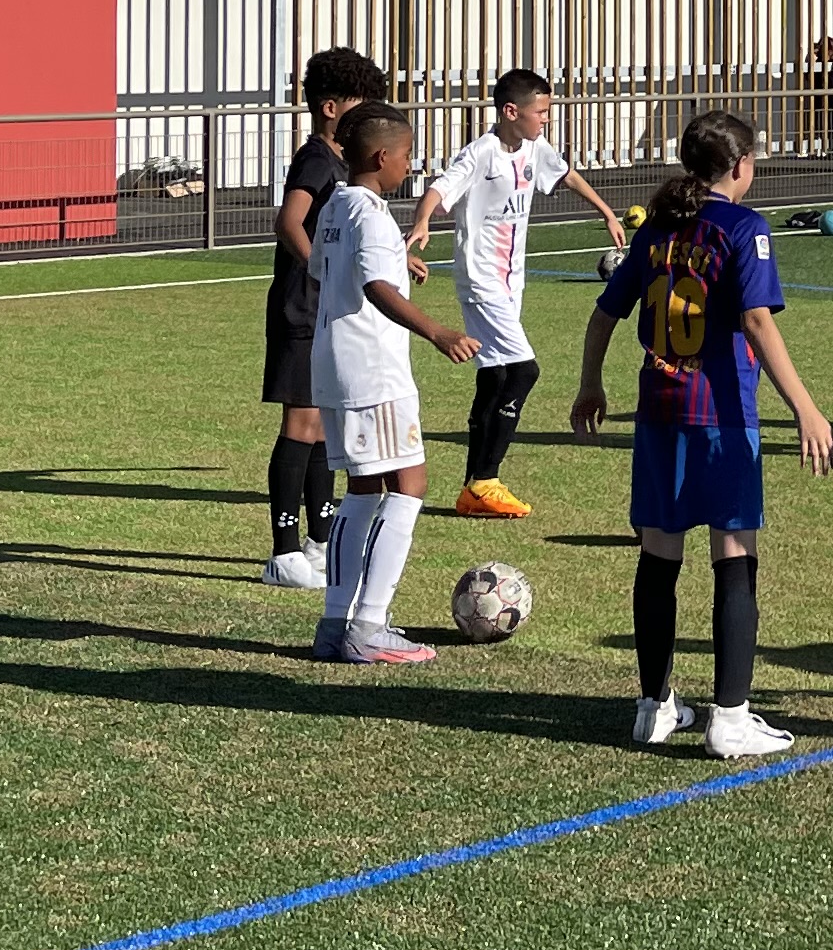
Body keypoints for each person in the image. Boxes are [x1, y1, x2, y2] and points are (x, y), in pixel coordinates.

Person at [573, 110, 833, 760]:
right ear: (741, 166)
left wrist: (590, 385)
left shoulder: (660, 225)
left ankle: (653, 708)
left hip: (658, 414)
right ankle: (731, 717)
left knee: (659, 558)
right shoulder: (745, 227)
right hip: (719, 416)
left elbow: (606, 312)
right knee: (734, 556)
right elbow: (756, 321)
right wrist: (805, 407)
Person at [408, 68, 629, 521]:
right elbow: (438, 189)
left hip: (512, 282)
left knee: (494, 375)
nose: (546, 120)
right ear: (512, 112)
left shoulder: (533, 149)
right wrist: (423, 222)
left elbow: (566, 175)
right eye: (541, 112)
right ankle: (487, 480)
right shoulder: (481, 153)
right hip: (482, 280)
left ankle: (473, 488)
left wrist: (606, 211)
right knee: (525, 371)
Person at [308, 103, 482, 665]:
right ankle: (371, 624)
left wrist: (397, 263)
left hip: (332, 365)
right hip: (373, 371)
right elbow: (377, 289)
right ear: (383, 157)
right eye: (407, 155)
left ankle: (336, 625)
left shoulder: (336, 205)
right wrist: (435, 330)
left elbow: (329, 272)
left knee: (362, 492)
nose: (410, 165)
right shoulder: (376, 215)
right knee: (408, 488)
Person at [256, 47, 386, 587]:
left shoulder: (342, 165)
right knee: (301, 425)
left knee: (322, 429)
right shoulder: (315, 158)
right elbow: (291, 223)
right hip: (301, 309)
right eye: (362, 107)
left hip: (325, 312)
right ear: (331, 107)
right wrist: (323, 273)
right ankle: (283, 553)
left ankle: (319, 539)